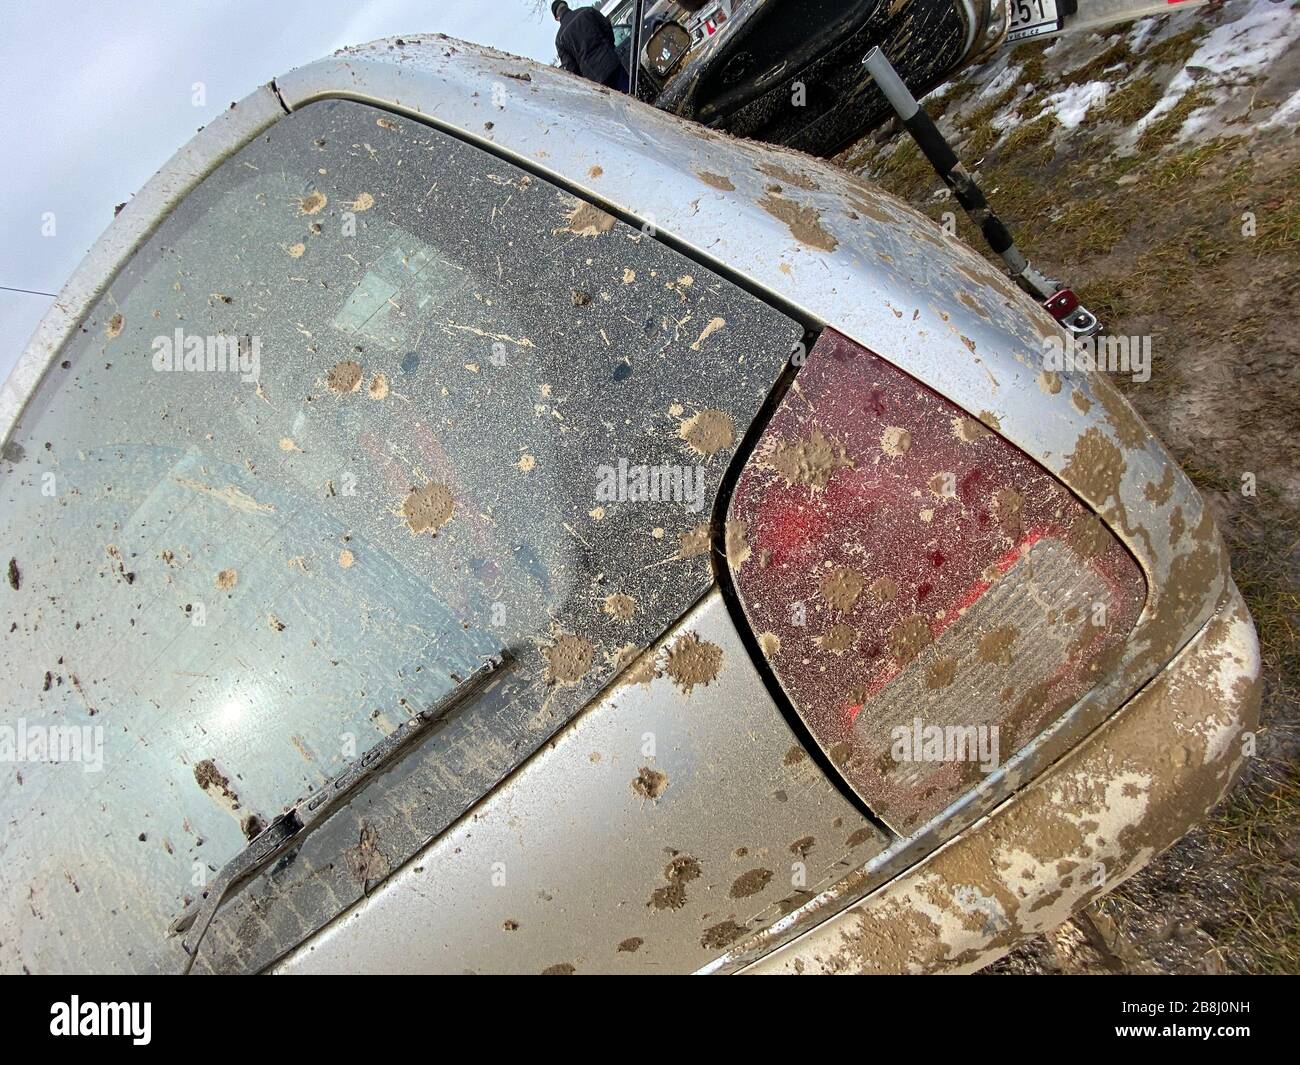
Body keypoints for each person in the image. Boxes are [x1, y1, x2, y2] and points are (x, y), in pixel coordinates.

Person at [552, 1, 629, 94]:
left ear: (557, 18)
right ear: (566, 6)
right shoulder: (587, 11)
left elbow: (571, 67)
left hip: (596, 78)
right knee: (632, 94)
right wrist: (609, 47)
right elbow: (607, 27)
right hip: (612, 62)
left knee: (621, 105)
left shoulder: (560, 39)